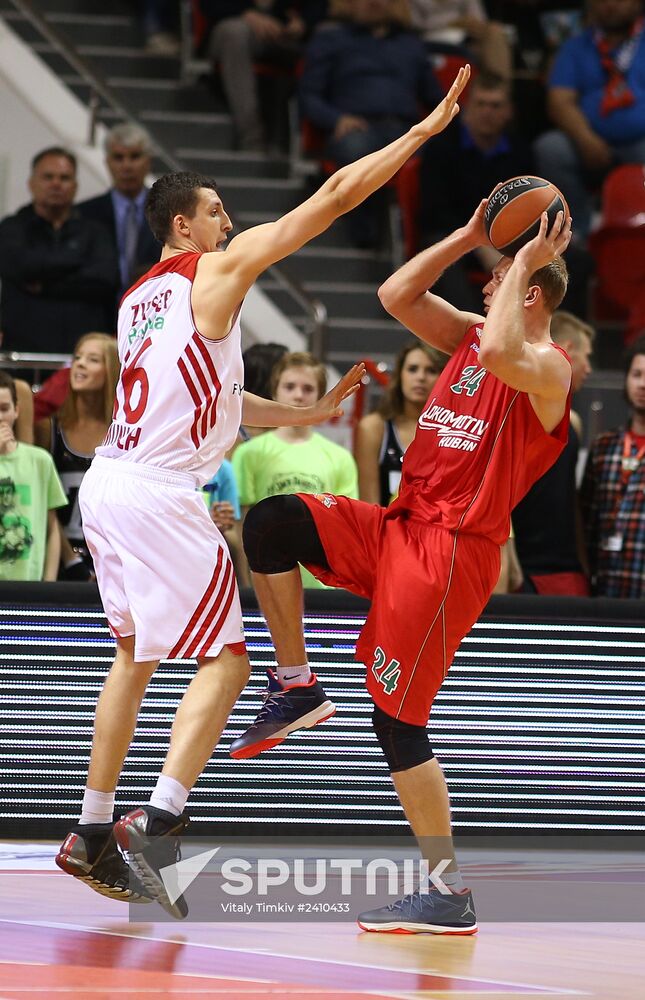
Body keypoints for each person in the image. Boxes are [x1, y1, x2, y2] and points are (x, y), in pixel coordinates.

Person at [53, 66, 471, 918]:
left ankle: (90, 830)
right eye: (216, 212)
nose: (231, 223)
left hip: (109, 484)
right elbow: (333, 197)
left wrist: (306, 410)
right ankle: (161, 819)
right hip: (162, 492)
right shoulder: (218, 267)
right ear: (184, 223)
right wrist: (419, 136)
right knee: (234, 660)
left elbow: (212, 397)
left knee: (132, 660)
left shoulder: (140, 302)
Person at [235, 199, 572, 935]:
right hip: (398, 523)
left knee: (396, 718)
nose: (484, 286)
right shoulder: (471, 335)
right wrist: (469, 234)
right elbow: (396, 295)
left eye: (498, 281)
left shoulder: (547, 368)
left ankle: (446, 892)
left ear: (532, 293)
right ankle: (294, 686)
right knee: (273, 523)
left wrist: (518, 263)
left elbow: (499, 355)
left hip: (451, 552)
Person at [299, 0, 442, 246]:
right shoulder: (332, 40)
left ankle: (429, 238)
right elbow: (308, 95)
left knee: (443, 154)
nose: (374, 2)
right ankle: (365, 236)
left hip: (407, 130)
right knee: (357, 150)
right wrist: (336, 119)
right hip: (357, 127)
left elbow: (436, 97)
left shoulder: (411, 45)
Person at [233, 351, 359, 587]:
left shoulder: (340, 458)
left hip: (323, 584)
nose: (298, 395)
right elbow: (241, 525)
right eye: (289, 386)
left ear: (321, 395)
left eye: (308, 389)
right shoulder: (249, 453)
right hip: (267, 578)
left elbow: (346, 529)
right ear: (274, 390)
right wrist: (247, 582)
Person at [420, 71, 534, 311]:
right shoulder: (440, 148)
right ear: (467, 108)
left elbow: (531, 206)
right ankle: (469, 336)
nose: (487, 112)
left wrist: (504, 245)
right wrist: (476, 242)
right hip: (454, 234)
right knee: (445, 260)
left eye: (495, 106)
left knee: (570, 258)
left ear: (508, 111)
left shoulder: (521, 152)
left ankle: (553, 336)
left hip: (507, 239)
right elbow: (434, 212)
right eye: (481, 104)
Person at [534, 0, 645, 241]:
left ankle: (637, 232)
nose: (610, 5)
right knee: (551, 148)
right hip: (588, 145)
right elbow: (559, 100)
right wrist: (586, 139)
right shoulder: (574, 48)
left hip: (640, 142)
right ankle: (578, 235)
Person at [0, 148, 118, 353]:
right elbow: (21, 267)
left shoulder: (96, 231)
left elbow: (106, 279)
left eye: (64, 178)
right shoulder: (11, 228)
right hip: (22, 352)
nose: (56, 184)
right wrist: (77, 261)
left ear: (74, 186)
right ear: (31, 183)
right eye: (48, 177)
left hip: (81, 355)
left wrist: (43, 286)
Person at [513, 310, 594, 595]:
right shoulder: (517, 410)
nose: (589, 368)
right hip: (524, 566)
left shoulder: (575, 422)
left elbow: (569, 498)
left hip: (567, 567)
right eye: (587, 355)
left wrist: (583, 563)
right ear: (569, 350)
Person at [34, 333, 120, 581]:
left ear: (111, 370)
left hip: (113, 560)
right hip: (59, 562)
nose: (80, 364)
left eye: (92, 359)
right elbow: (43, 503)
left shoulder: (124, 433)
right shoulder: (48, 429)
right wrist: (72, 562)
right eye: (78, 357)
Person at [201, 0, 324, 150]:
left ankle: (301, 144)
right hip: (234, 23)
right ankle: (251, 136)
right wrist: (247, 13)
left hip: (285, 33)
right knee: (234, 33)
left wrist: (304, 22)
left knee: (328, 39)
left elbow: (319, 6)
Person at [580, 336, 645, 598]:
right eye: (637, 374)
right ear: (626, 380)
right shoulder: (604, 446)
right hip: (605, 589)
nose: (643, 384)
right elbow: (585, 519)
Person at [354, 341, 446, 505]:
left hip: (439, 529)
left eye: (431, 370)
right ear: (399, 375)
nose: (420, 377)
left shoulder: (457, 430)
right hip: (385, 527)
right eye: (412, 369)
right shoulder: (373, 428)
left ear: (445, 377)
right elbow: (368, 505)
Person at [78, 123, 160, 302]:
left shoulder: (168, 212)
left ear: (149, 161)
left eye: (135, 156)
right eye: (118, 157)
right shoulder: (83, 214)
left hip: (153, 311)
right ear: (107, 162)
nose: (127, 166)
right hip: (97, 311)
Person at [0, 371, 67, 582]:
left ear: (17, 410)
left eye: (4, 409)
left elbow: (52, 526)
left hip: (29, 585)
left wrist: (48, 581)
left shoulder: (39, 460)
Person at [203, 458, 247, 586]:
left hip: (211, 561)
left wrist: (222, 527)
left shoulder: (223, 468)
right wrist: (203, 521)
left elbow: (234, 535)